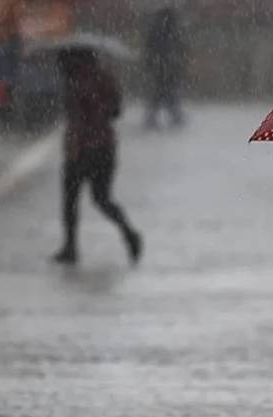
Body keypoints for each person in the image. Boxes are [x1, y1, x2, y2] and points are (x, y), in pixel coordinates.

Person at [54, 48, 142, 265]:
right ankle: (128, 232)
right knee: (102, 198)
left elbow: (75, 115)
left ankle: (71, 247)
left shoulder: (74, 81)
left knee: (70, 200)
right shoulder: (105, 77)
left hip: (80, 149)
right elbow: (116, 111)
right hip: (105, 147)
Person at [143, 6, 186, 129]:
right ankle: (174, 116)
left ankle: (153, 117)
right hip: (169, 67)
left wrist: (151, 63)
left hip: (160, 68)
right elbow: (180, 47)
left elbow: (149, 48)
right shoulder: (173, 29)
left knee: (158, 94)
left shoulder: (156, 29)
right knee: (168, 93)